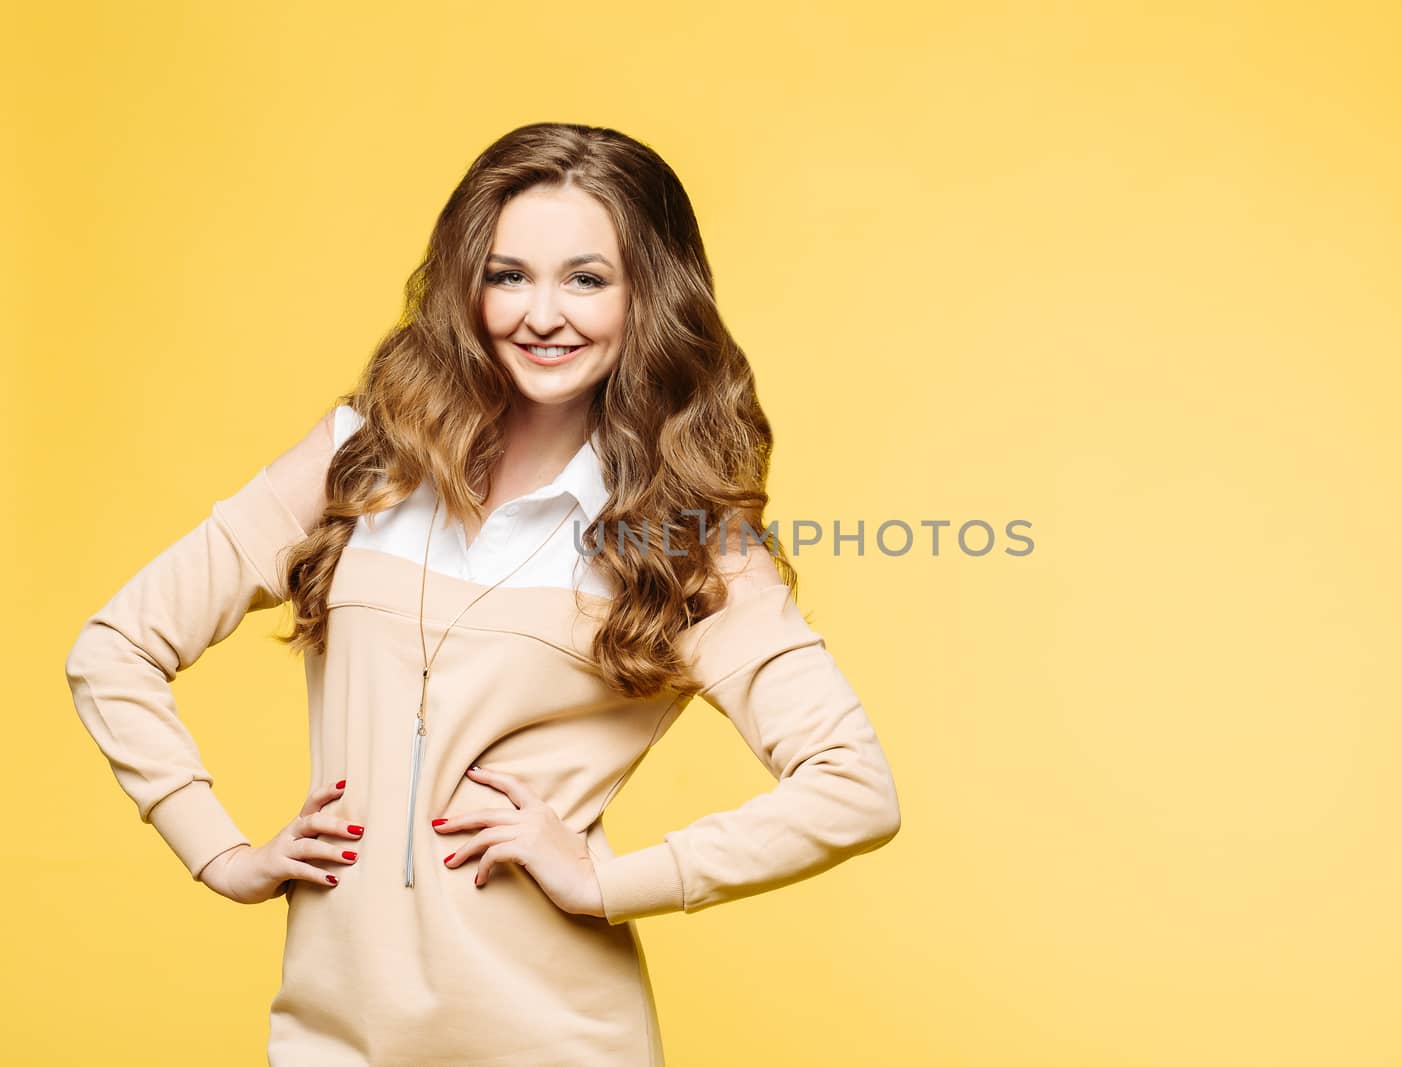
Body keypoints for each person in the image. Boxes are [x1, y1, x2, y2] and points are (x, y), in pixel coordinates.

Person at [63, 122, 901, 1066]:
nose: (543, 313)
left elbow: (851, 789)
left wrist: (611, 879)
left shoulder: (687, 539)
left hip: (557, 1041)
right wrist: (216, 848)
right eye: (509, 275)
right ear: (469, 287)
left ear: (649, 298)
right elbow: (113, 648)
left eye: (587, 279)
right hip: (329, 1040)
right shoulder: (361, 459)